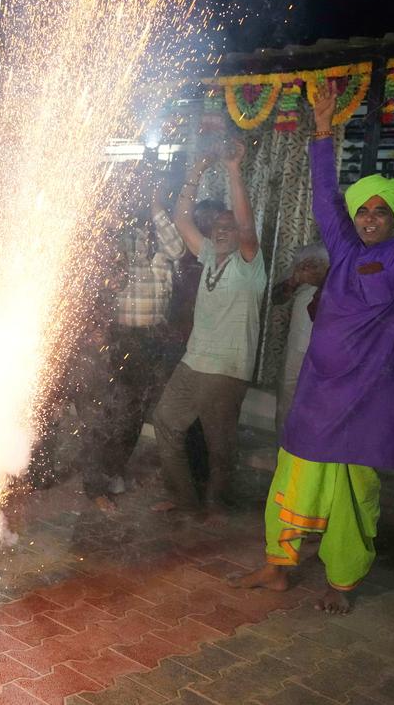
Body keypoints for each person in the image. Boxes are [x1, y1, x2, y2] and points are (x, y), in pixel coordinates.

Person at [232, 78, 394, 614]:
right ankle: (279, 566)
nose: (369, 217)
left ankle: (342, 583)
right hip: (316, 394)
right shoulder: (343, 248)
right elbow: (325, 193)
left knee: (354, 499)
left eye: (380, 211)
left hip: (366, 402)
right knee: (294, 481)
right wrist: (324, 127)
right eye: (363, 211)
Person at [151, 137, 266, 523]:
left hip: (226, 368)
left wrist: (233, 170)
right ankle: (186, 498)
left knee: (220, 444)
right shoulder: (208, 257)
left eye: (229, 226)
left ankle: (216, 503)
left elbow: (247, 223)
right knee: (166, 423)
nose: (221, 230)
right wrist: (197, 170)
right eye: (217, 225)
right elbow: (182, 220)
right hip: (193, 361)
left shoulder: (249, 264)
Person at [81, 165, 185, 513]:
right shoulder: (119, 231)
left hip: (153, 339)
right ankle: (95, 484)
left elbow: (179, 248)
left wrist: (156, 206)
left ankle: (114, 472)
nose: (143, 196)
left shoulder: (162, 237)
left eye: (150, 189)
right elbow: (105, 271)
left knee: (135, 414)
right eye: (140, 190)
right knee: (111, 413)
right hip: (122, 337)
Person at [271, 242, 329, 434]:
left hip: (331, 349)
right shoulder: (309, 253)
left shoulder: (357, 254)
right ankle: (283, 454)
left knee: (321, 409)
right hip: (298, 344)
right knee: (287, 405)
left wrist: (322, 278)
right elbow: (276, 298)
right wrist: (293, 281)